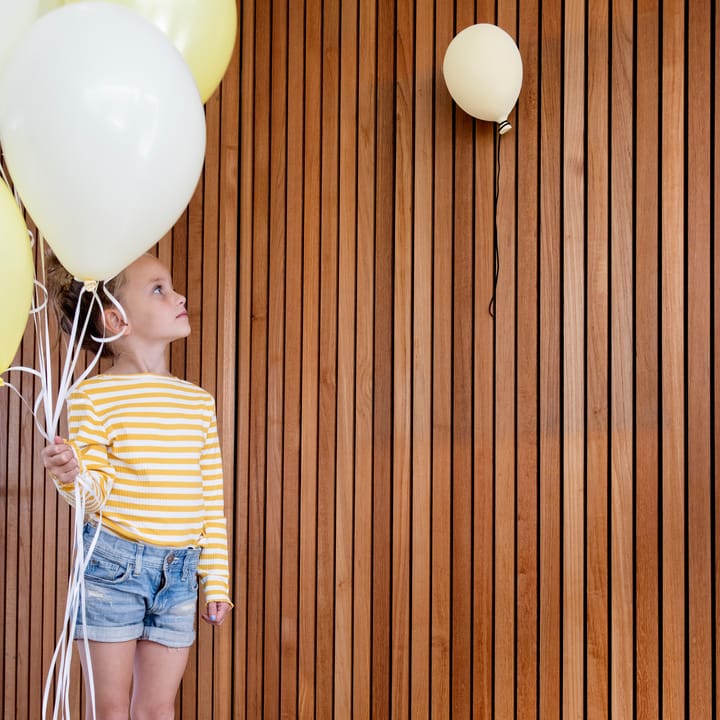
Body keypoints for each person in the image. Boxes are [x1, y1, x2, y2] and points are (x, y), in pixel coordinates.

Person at [42, 252, 232, 719]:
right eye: (158, 289)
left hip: (180, 575)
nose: (178, 295)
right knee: (110, 711)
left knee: (158, 709)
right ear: (116, 319)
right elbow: (95, 491)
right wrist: (71, 475)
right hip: (113, 568)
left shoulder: (198, 402)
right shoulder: (92, 396)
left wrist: (217, 579)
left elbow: (211, 499)